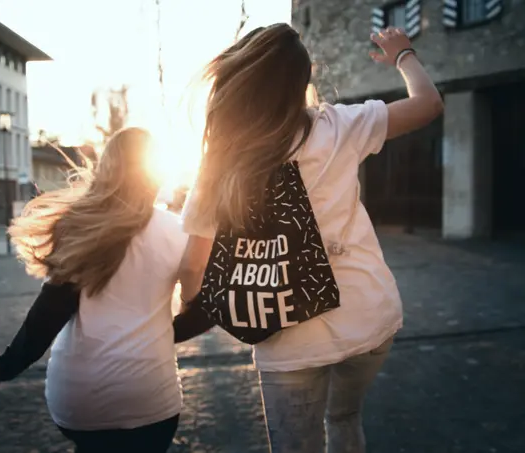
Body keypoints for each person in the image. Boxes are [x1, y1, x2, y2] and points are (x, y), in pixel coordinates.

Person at [175, 24, 443, 453]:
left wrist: (198, 307)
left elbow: (193, 267)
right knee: (345, 417)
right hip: (369, 318)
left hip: (287, 339)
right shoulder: (340, 125)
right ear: (301, 84)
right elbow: (428, 104)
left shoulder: (221, 162)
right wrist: (402, 55)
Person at [0, 128, 188, 453]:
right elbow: (208, 307)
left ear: (106, 168)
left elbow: (50, 311)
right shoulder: (179, 231)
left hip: (79, 398)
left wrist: (2, 368)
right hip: (149, 396)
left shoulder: (79, 225)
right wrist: (162, 333)